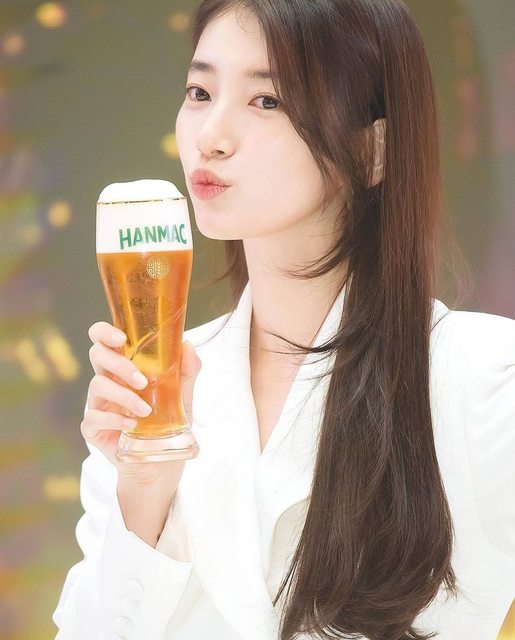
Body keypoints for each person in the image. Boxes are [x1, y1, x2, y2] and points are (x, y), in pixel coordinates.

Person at [53, 1, 515, 639]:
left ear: (372, 149)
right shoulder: (152, 397)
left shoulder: (482, 380)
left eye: (266, 100)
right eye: (200, 92)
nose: (211, 135)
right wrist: (144, 491)